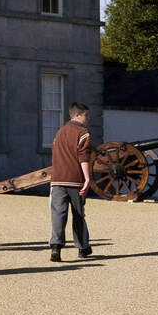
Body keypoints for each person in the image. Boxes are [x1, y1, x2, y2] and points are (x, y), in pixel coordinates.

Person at [49, 101, 94, 261]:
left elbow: (54, 153)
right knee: (78, 214)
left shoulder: (59, 132)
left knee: (58, 215)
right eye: (86, 115)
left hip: (57, 179)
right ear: (77, 115)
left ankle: (56, 247)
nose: (88, 119)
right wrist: (87, 178)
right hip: (75, 180)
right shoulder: (83, 133)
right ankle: (82, 248)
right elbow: (84, 156)